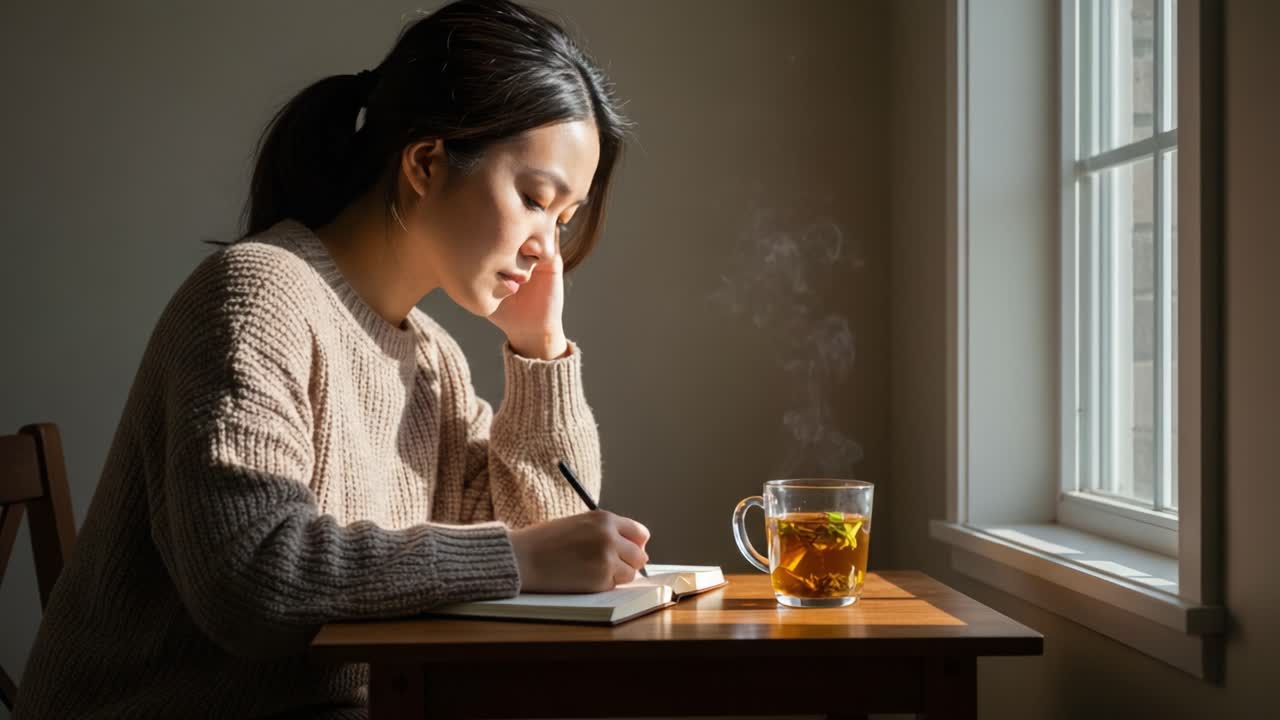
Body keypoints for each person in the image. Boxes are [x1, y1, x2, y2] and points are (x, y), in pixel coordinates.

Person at [15, 1, 647, 717]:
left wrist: (541, 353)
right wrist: (519, 559)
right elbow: (250, 578)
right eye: (535, 199)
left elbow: (552, 545)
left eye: (564, 221)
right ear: (426, 161)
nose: (548, 249)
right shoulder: (257, 296)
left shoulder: (432, 359)